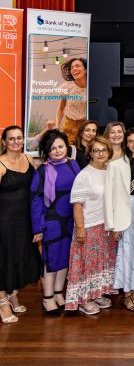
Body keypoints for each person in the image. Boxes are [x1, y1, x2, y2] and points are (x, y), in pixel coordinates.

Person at [30, 130, 81, 316]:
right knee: (51, 260)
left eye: (61, 146)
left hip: (71, 220)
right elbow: (35, 200)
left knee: (65, 258)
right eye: (53, 148)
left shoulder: (74, 165)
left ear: (66, 146)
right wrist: (37, 227)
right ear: (47, 151)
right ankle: (47, 297)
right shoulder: (42, 171)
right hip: (51, 221)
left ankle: (59, 292)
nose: (58, 151)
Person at [66, 136, 119, 314]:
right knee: (86, 266)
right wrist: (80, 229)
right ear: (90, 153)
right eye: (96, 150)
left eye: (103, 150)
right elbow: (77, 206)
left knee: (100, 264)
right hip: (88, 227)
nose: (100, 153)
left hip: (106, 225)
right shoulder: (84, 175)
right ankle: (82, 300)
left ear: (109, 152)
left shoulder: (111, 171)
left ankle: (96, 294)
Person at [105, 127, 134, 312]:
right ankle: (126, 295)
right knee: (127, 253)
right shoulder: (116, 165)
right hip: (127, 212)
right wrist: (113, 224)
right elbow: (109, 197)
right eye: (130, 141)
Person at [0, 126, 40, 324]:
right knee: (3, 258)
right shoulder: (0, 164)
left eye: (19, 138)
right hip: (4, 221)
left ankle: (13, 294)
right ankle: (2, 303)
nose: (16, 142)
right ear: (4, 142)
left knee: (18, 257)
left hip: (25, 220)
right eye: (11, 139)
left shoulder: (29, 159)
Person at [55, 57, 88, 144]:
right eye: (72, 68)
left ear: (85, 69)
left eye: (77, 66)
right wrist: (57, 126)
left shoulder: (92, 87)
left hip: (85, 126)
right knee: (68, 150)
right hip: (69, 125)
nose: (74, 69)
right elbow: (61, 108)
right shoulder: (66, 87)